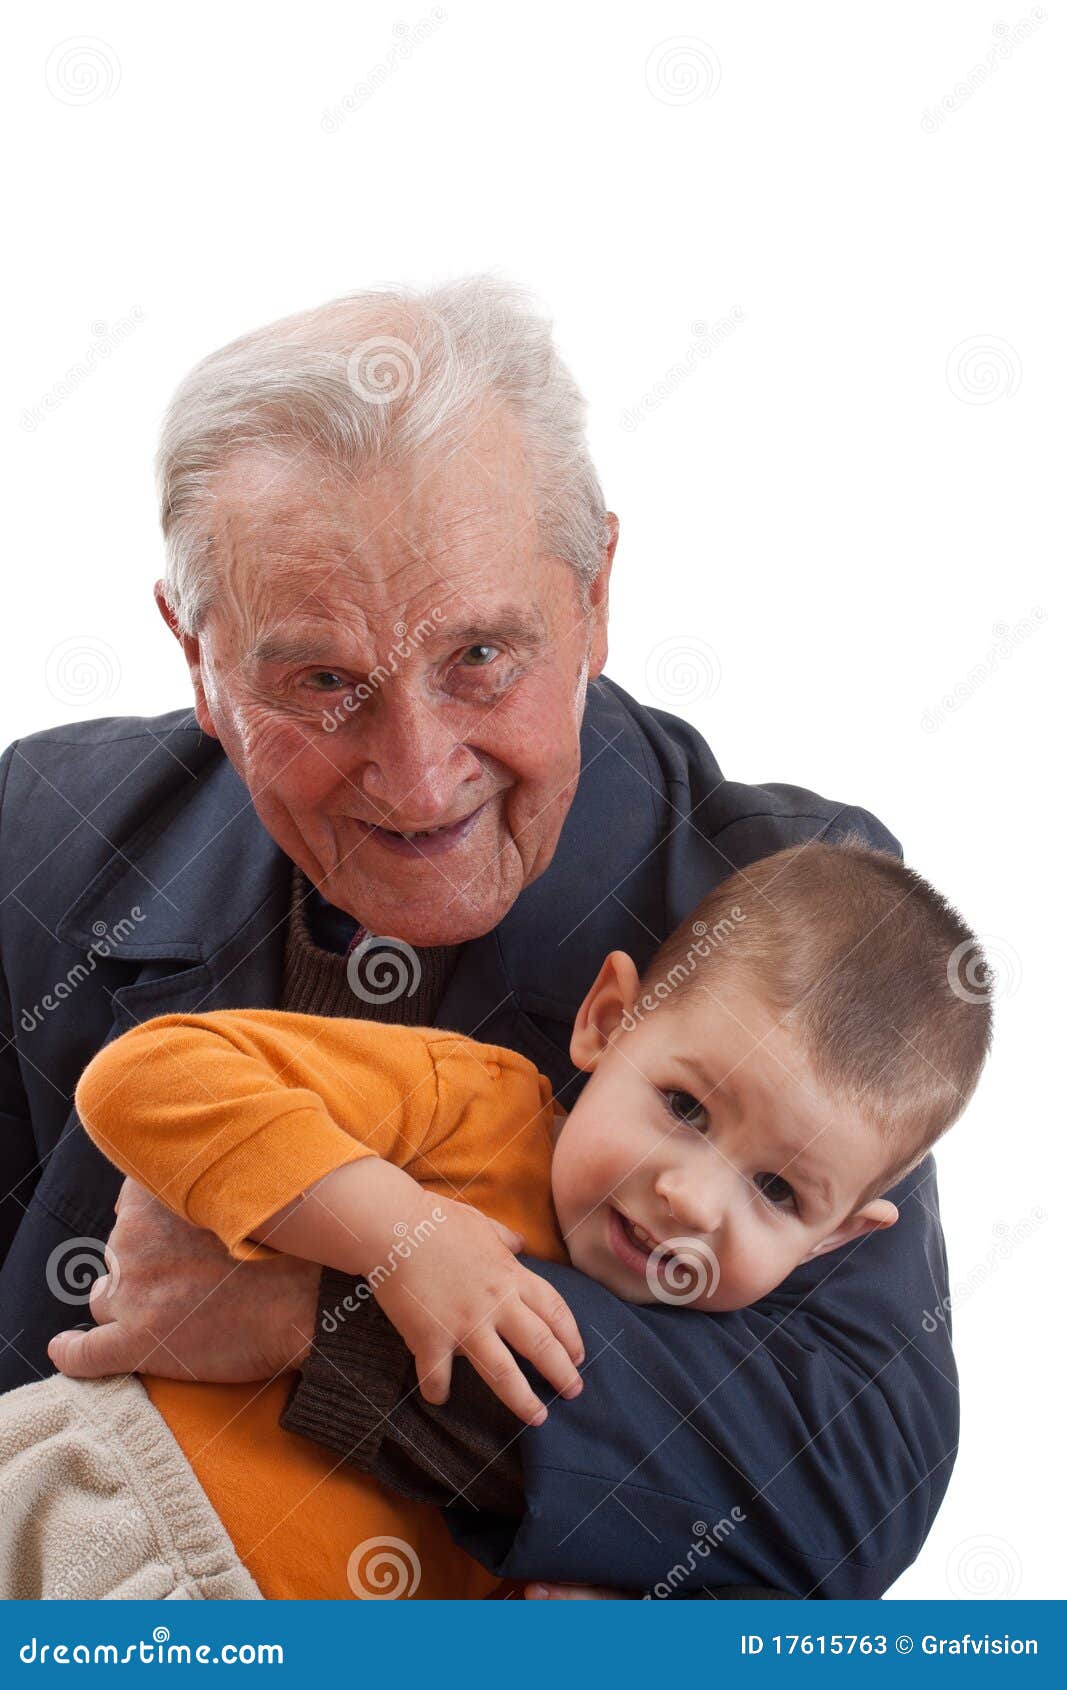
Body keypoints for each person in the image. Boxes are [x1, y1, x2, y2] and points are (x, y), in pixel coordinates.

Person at [0, 276, 960, 1598]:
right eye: (321, 683)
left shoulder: (787, 907)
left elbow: (842, 1476)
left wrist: (318, 1332)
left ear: (595, 596)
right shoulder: (47, 829)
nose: (414, 775)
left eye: (481, 659)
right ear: (193, 655)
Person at [0, 839, 990, 1599]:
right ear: (608, 1019)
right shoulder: (476, 1104)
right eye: (684, 1107)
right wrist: (392, 1230)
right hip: (108, 1517)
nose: (689, 1196)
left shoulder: (718, 1385)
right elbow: (144, 1077)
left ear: (833, 1240)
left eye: (775, 1192)